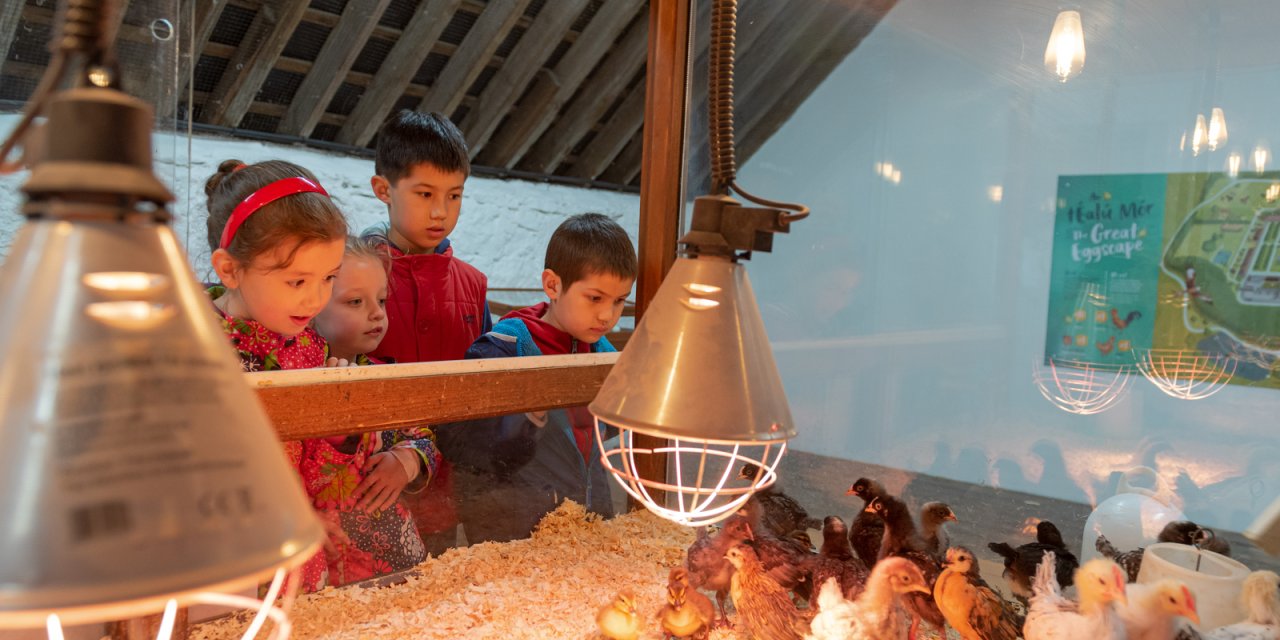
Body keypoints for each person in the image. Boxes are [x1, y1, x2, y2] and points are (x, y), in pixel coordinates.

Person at [203, 160, 431, 591]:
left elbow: (316, 474)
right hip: (234, 566)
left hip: (305, 564)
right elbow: (198, 473)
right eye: (296, 281)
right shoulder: (198, 354)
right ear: (230, 269)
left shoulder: (308, 345)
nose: (314, 299)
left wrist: (338, 438)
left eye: (327, 279)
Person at [436, 213, 637, 543]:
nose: (607, 315)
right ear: (552, 285)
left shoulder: (602, 355)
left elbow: (593, 435)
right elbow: (463, 445)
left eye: (619, 301)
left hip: (587, 524)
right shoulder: (502, 351)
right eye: (595, 298)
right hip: (516, 534)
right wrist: (525, 420)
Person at [363, 109, 491, 554]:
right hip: (370, 495)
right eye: (424, 193)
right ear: (383, 189)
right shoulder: (351, 283)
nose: (441, 212)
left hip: (446, 497)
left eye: (454, 196)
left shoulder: (473, 285)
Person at [308, 235, 442, 584]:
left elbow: (424, 437)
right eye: (355, 301)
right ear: (312, 304)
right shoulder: (298, 382)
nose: (376, 313)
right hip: (325, 559)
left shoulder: (382, 374)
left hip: (394, 557)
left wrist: (408, 461)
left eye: (381, 300)